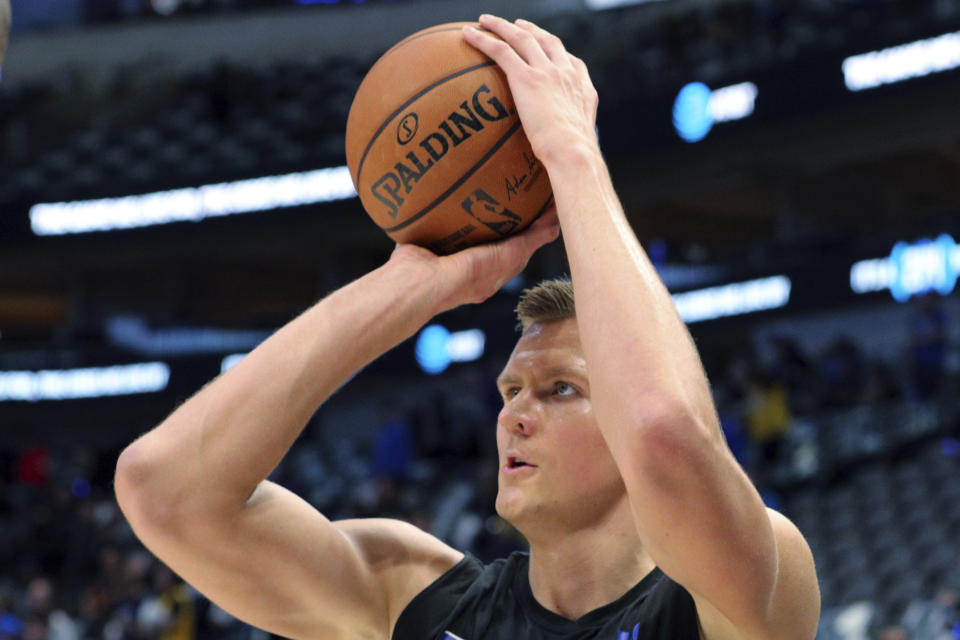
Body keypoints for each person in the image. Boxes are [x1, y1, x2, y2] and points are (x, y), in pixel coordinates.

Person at [114, 14, 820, 640]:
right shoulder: (415, 598)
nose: (514, 414)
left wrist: (572, 157)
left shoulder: (736, 595)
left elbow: (662, 429)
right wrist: (413, 287)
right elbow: (166, 490)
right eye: (512, 390)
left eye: (561, 390)